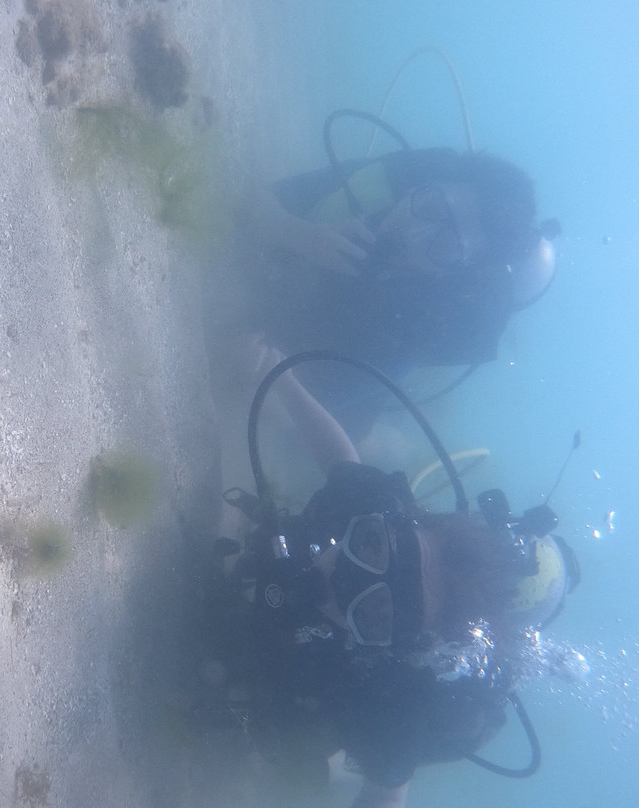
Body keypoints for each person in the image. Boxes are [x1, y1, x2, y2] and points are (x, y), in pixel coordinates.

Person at [194, 344, 580, 808]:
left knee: (302, 747)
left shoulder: (400, 701)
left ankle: (333, 768)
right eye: (369, 546)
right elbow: (340, 460)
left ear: (411, 644)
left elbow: (387, 794)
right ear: (398, 526)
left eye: (376, 611)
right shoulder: (374, 500)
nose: (338, 578)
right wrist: (282, 380)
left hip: (290, 694)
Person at [234, 145, 559, 441]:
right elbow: (254, 198)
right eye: (432, 206)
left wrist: (259, 370)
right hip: (301, 302)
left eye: (446, 244)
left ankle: (389, 441)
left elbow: (279, 414)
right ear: (428, 182)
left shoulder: (419, 326)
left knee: (366, 436)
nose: (414, 232)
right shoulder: (381, 185)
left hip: (344, 361)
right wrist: (296, 233)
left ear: (451, 275)